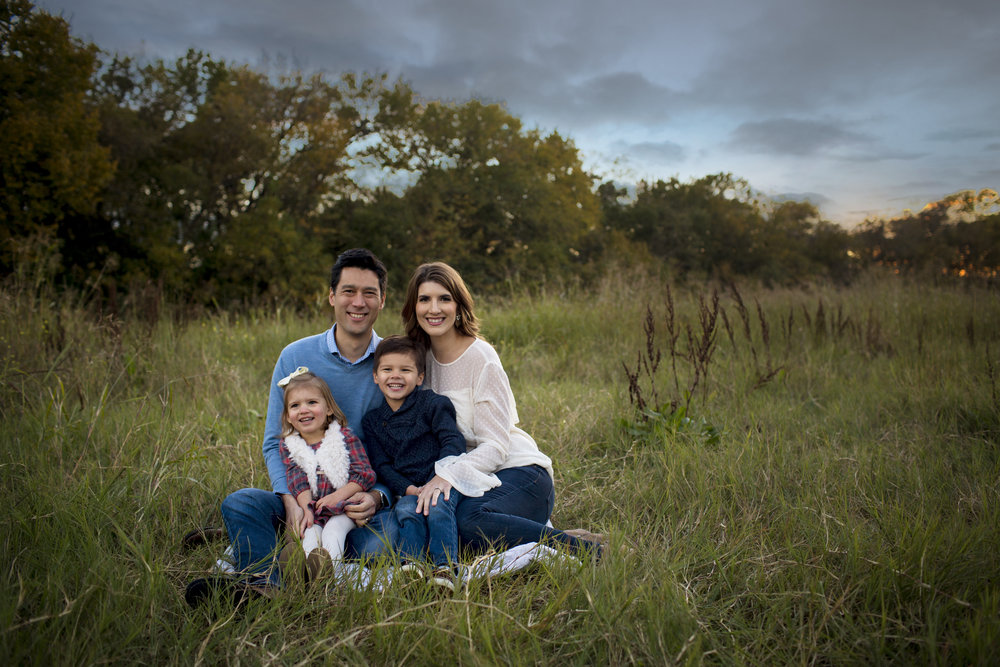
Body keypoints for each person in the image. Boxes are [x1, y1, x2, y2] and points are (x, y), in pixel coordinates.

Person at [186, 249, 397, 606]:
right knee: (241, 503)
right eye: (348, 291)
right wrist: (289, 502)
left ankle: (258, 539)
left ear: (382, 300)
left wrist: (377, 496)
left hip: (359, 505)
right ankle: (262, 585)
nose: (358, 302)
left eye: (369, 293)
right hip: (303, 497)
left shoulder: (395, 364)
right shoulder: (296, 356)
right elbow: (274, 443)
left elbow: (405, 449)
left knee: (382, 546)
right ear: (331, 296)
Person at [400, 262, 603, 561]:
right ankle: (555, 535)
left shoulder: (481, 357)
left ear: (459, 305)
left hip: (517, 472)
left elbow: (495, 446)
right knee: (440, 529)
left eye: (444, 298)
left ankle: (588, 551)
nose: (434, 308)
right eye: (424, 299)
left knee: (468, 524)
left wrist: (448, 476)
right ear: (413, 306)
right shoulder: (415, 361)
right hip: (468, 482)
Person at [361, 336, 467, 589]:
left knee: (438, 507)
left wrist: (440, 478)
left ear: (419, 377)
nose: (395, 376)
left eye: (405, 370)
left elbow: (452, 440)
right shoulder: (372, 421)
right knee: (407, 511)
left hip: (442, 481)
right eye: (387, 369)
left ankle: (445, 568)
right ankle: (411, 568)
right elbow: (382, 465)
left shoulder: (433, 405)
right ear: (375, 376)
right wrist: (408, 489)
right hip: (408, 488)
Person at [277, 368, 376, 577]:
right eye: (295, 405)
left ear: (329, 409)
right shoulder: (290, 445)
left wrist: (336, 497)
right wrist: (306, 509)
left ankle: (333, 576)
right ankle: (303, 574)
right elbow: (297, 479)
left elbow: (364, 474)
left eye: (312, 403)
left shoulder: (344, 437)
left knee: (333, 532)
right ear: (288, 415)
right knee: (310, 532)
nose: (303, 410)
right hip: (315, 508)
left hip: (345, 506)